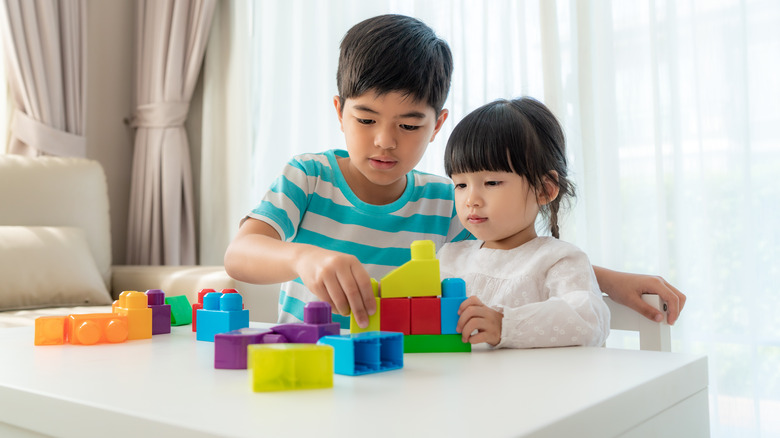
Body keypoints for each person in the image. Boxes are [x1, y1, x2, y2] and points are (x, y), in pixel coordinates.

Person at [224, 14, 685, 330]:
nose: (385, 140)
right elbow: (240, 254)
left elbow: (515, 258)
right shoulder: (309, 176)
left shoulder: (448, 199)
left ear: (438, 124)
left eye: (408, 124)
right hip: (309, 369)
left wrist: (613, 282)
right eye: (366, 120)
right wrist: (302, 258)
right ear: (339, 112)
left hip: (405, 380)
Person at [438, 97, 609, 348]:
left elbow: (589, 319)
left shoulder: (557, 259)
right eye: (461, 185)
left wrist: (505, 324)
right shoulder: (449, 258)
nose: (471, 200)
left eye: (491, 183)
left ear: (544, 189)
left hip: (535, 386)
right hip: (464, 386)